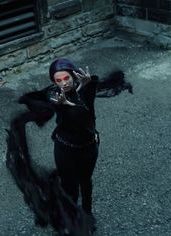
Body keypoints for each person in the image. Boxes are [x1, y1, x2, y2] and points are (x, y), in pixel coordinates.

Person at [48, 58, 100, 230]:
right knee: (69, 186)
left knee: (85, 181)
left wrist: (87, 86)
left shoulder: (84, 88)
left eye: (67, 78)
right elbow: (74, 116)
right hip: (65, 149)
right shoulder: (55, 96)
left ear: (73, 76)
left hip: (88, 147)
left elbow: (88, 116)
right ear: (54, 82)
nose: (64, 83)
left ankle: (86, 213)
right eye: (59, 80)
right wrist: (64, 106)